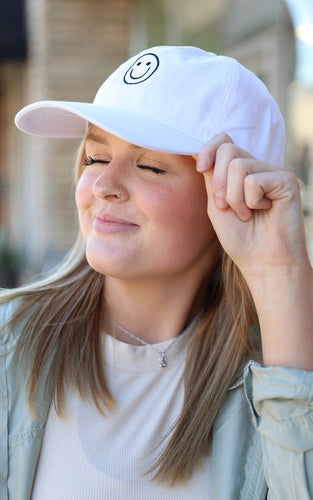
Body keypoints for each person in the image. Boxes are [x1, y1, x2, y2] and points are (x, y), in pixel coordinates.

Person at [1, 45, 312, 499]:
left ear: (237, 199)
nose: (103, 186)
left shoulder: (282, 371)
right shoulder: (9, 344)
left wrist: (280, 274)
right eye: (95, 158)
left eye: (149, 166)